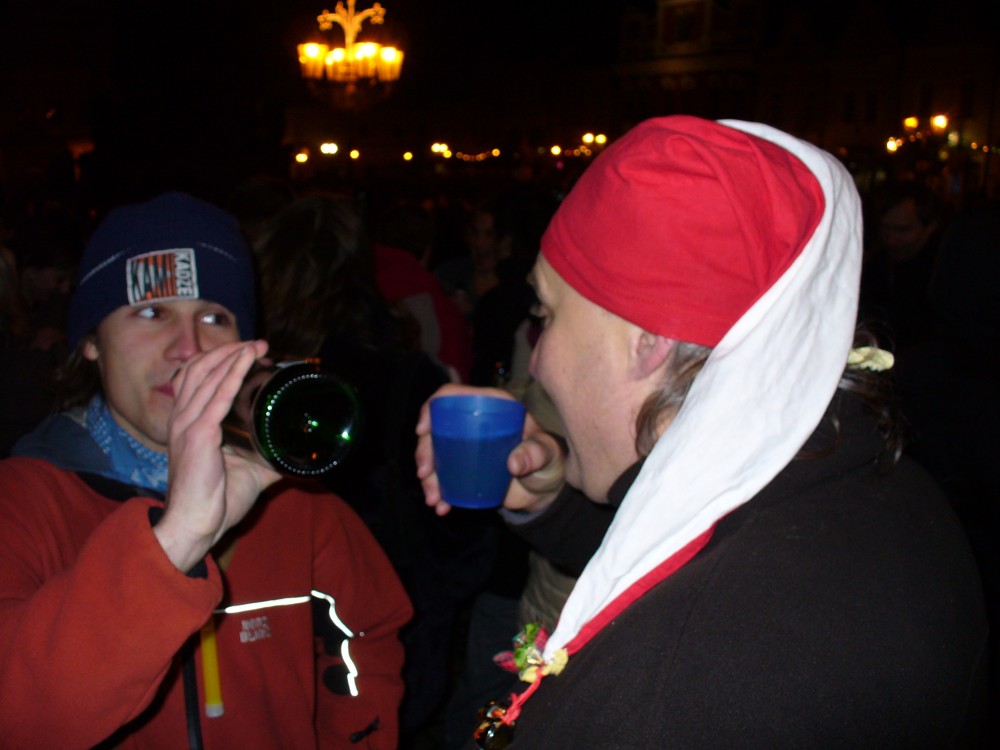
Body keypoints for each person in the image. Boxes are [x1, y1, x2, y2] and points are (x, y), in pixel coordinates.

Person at [415, 116, 989, 747]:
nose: (540, 358)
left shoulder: (663, 693)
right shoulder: (864, 480)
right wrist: (549, 499)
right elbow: (682, 542)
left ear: (649, 340)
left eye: (545, 312)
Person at [0, 191, 412, 749]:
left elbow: (369, 638)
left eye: (214, 317)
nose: (189, 347)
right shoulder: (22, 502)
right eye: (153, 312)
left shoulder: (296, 503)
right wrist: (176, 539)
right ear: (92, 342)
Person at [250, 193, 496, 745]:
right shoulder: (407, 374)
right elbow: (465, 534)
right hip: (392, 629)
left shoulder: (240, 386)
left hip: (274, 628)